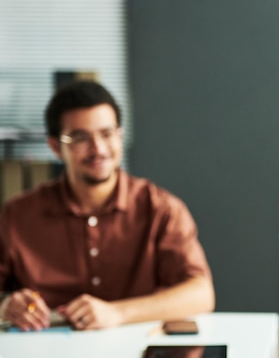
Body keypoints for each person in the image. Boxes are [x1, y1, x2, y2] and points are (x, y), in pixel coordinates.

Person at [0, 80, 215, 331]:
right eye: (80, 137)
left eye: (107, 133)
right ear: (56, 147)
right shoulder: (18, 215)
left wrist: (117, 313)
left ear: (120, 136)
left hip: (138, 354)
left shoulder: (161, 209)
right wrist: (5, 306)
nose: (98, 149)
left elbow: (201, 293)